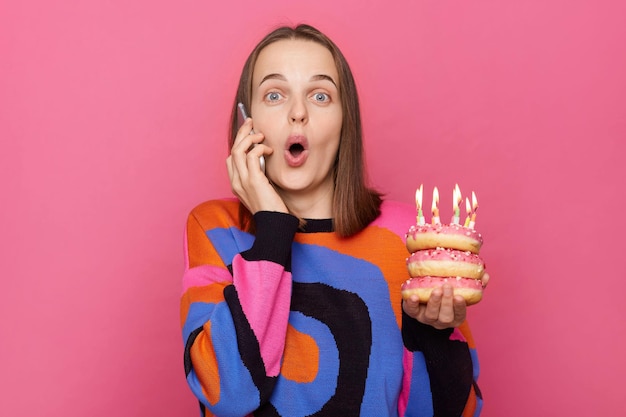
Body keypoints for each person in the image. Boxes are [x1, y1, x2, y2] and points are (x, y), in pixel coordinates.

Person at [181, 24, 484, 417]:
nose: (298, 113)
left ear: (345, 123)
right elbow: (228, 393)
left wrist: (433, 333)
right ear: (247, 122)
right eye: (274, 95)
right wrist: (272, 226)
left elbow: (460, 411)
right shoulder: (214, 227)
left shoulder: (407, 236)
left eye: (320, 95)